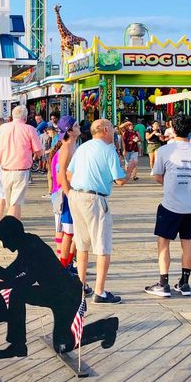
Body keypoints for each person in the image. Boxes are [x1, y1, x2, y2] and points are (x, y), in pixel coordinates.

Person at [0, 216, 117, 360]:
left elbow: (28, 280)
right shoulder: (26, 244)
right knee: (18, 293)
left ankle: (107, 326)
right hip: (54, 294)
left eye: (4, 239)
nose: (3, 245)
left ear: (13, 235)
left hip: (67, 296)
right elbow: (9, 274)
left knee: (63, 344)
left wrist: (0, 286)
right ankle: (18, 344)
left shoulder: (33, 247)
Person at [145, 113, 191, 298]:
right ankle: (185, 283)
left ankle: (163, 284)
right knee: (186, 243)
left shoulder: (165, 150)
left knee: (163, 243)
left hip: (170, 204)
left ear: (172, 128)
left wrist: (171, 183)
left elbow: (157, 175)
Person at [66, 119, 126, 303]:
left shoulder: (83, 147)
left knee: (82, 244)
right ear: (106, 130)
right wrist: (130, 169)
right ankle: (100, 291)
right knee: (102, 245)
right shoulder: (108, 150)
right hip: (95, 198)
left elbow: (69, 174)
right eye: (113, 128)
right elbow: (120, 180)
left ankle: (81, 285)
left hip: (76, 195)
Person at [0, 105, 42, 221]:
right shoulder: (30, 129)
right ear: (25, 117)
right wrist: (35, 155)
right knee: (15, 203)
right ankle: (10, 233)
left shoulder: (3, 128)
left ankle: (17, 230)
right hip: (21, 170)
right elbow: (38, 151)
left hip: (5, 170)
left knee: (12, 203)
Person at [49, 116, 81, 279]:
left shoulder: (71, 146)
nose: (79, 127)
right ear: (69, 130)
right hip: (66, 194)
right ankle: (64, 266)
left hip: (68, 193)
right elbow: (61, 173)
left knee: (72, 232)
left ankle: (67, 263)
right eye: (76, 125)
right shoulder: (67, 147)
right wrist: (70, 194)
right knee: (69, 232)